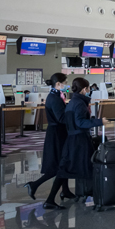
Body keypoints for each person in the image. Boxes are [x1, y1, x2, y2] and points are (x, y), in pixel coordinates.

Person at [25, 73, 75, 209]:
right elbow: (61, 118)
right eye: (65, 82)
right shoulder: (55, 98)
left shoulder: (55, 96)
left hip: (57, 133)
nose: (66, 85)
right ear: (58, 84)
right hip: (57, 134)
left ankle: (65, 190)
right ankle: (36, 186)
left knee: (63, 163)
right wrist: (74, 116)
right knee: (59, 165)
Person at [58, 78, 110, 195]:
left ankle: (78, 192)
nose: (89, 90)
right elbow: (80, 122)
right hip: (80, 139)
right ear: (84, 89)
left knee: (70, 166)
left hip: (72, 138)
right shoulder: (80, 103)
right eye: (88, 88)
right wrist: (99, 121)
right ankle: (88, 191)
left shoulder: (72, 102)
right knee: (85, 165)